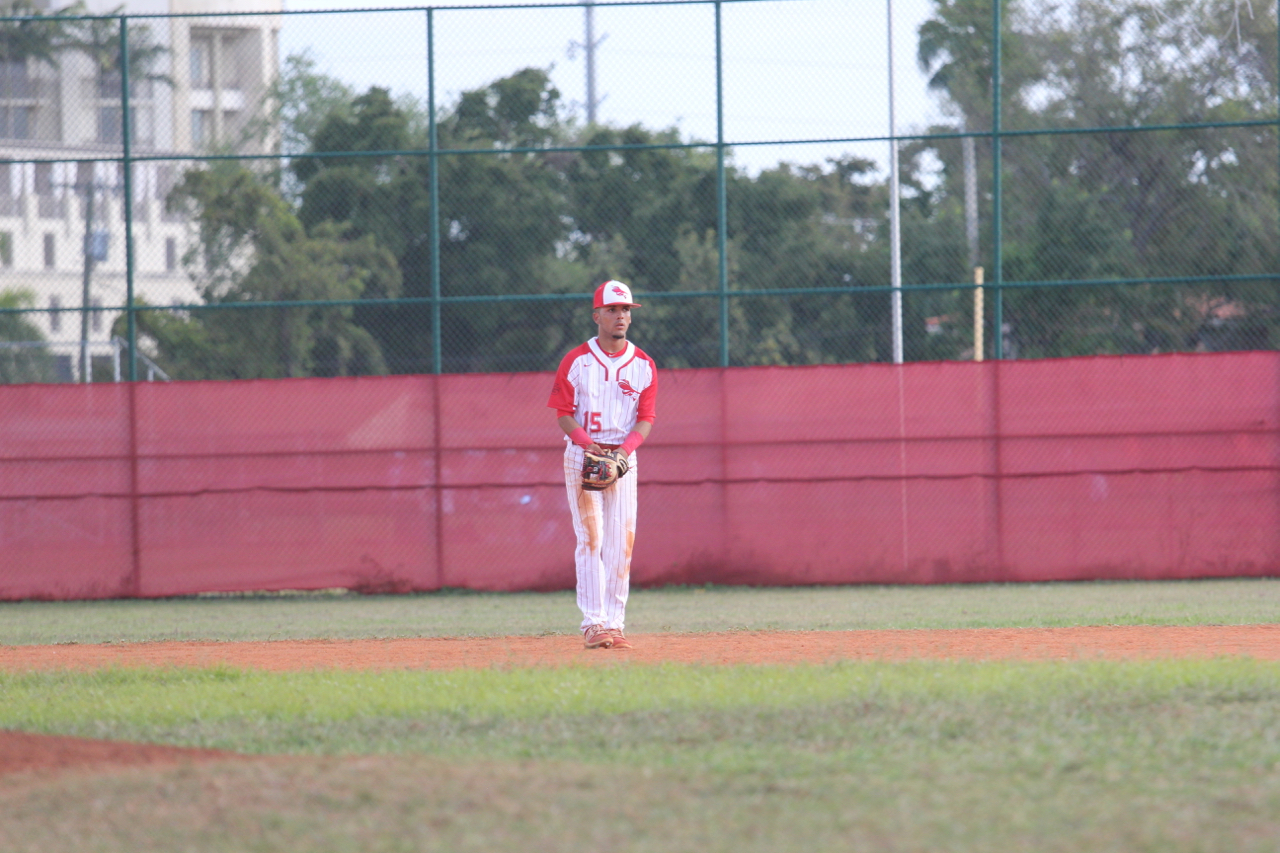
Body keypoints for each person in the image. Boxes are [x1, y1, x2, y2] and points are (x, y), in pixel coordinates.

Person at [547, 280, 657, 650]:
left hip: (623, 458)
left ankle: (615, 622)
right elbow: (563, 415)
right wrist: (589, 446)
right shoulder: (576, 360)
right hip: (584, 456)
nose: (621, 316)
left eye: (625, 309)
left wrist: (623, 453)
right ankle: (594, 623)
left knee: (620, 544)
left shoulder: (643, 364)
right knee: (591, 538)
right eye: (612, 310)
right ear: (597, 316)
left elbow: (646, 419)